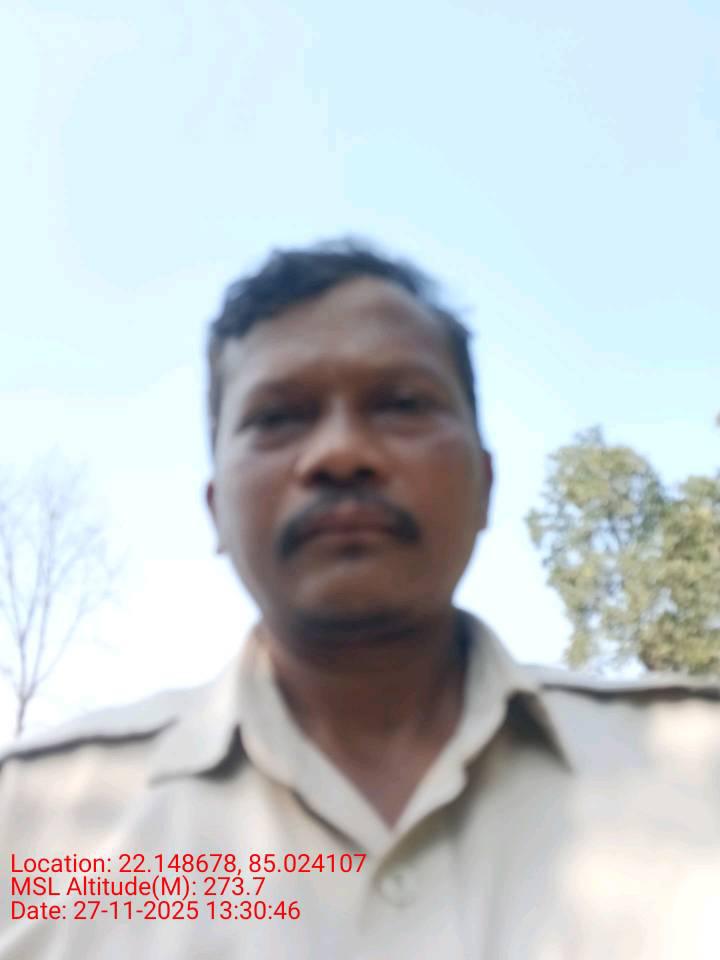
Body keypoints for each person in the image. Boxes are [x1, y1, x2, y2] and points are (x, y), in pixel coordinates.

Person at [1, 239, 719, 959]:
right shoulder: (33, 828)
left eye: (402, 404)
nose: (340, 453)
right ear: (216, 509)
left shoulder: (698, 771)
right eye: (278, 417)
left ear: (486, 485)